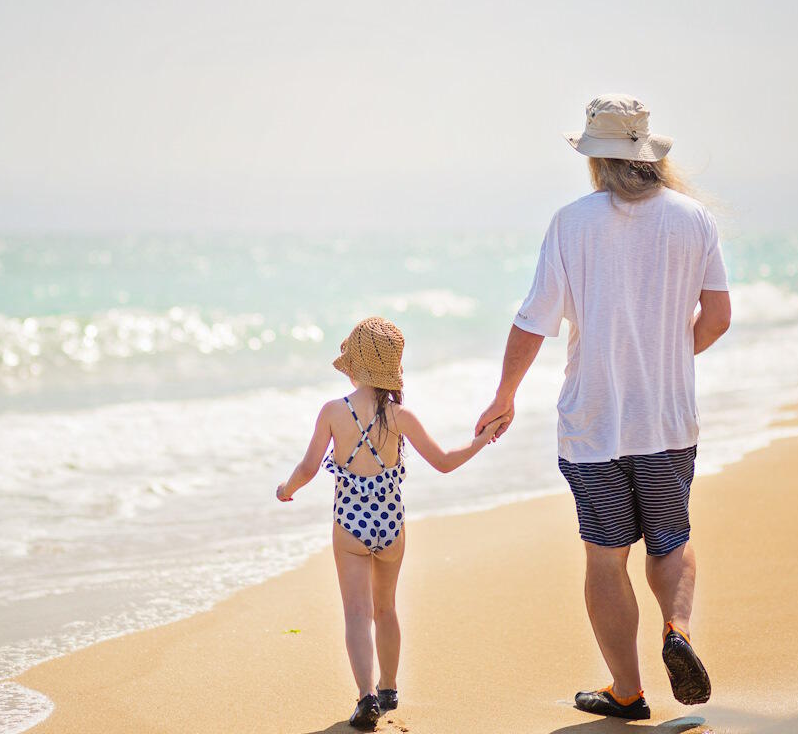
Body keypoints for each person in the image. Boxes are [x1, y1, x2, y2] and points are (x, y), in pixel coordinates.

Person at [475, 94, 732, 720]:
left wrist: (504, 395)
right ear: (646, 154)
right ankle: (678, 631)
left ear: (596, 160)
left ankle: (627, 688)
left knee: (605, 554)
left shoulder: (572, 222)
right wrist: (668, 360)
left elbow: (533, 322)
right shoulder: (694, 219)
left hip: (592, 426)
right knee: (670, 539)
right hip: (667, 420)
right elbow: (719, 317)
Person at [277, 316, 503, 731]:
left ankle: (365, 697)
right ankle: (389, 688)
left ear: (355, 364)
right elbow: (445, 462)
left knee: (356, 612)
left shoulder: (332, 412)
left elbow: (309, 467)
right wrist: (482, 437)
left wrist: (286, 487)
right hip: (391, 524)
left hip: (349, 525)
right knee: (386, 608)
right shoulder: (400, 416)